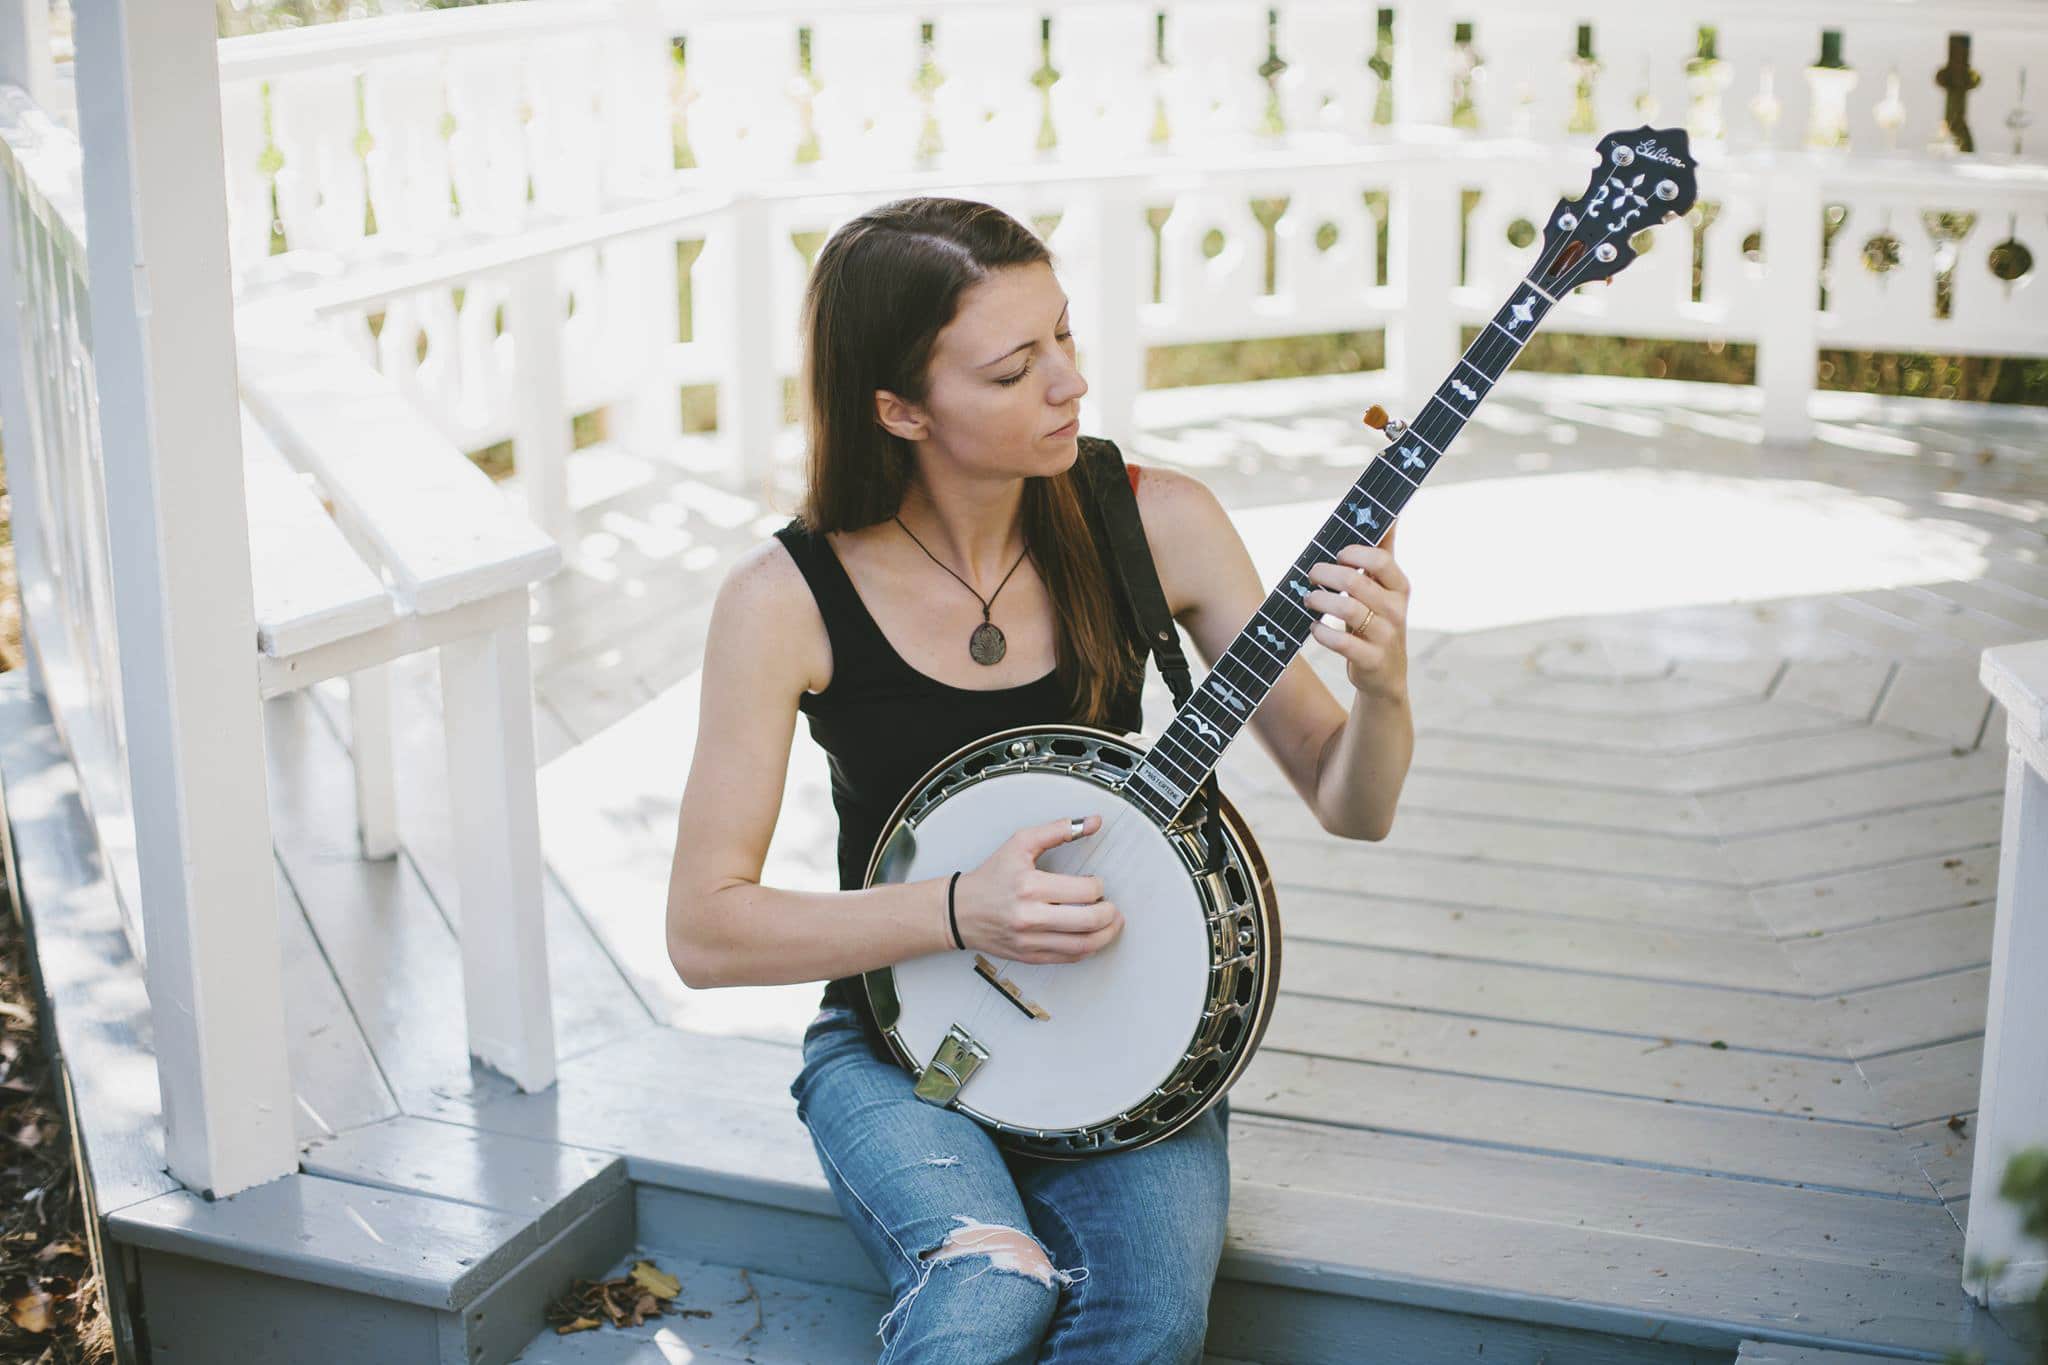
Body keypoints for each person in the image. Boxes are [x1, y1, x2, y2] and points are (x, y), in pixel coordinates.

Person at [665, 196, 1414, 1363]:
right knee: (988, 1297)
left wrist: (1384, 691)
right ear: (899, 408)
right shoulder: (784, 600)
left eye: (1062, 337)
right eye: (1014, 369)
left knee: (1149, 1320)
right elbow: (704, 935)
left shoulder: (1156, 523)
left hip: (1132, 1048)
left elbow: (1346, 801)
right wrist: (959, 908)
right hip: (897, 1043)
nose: (1068, 383)